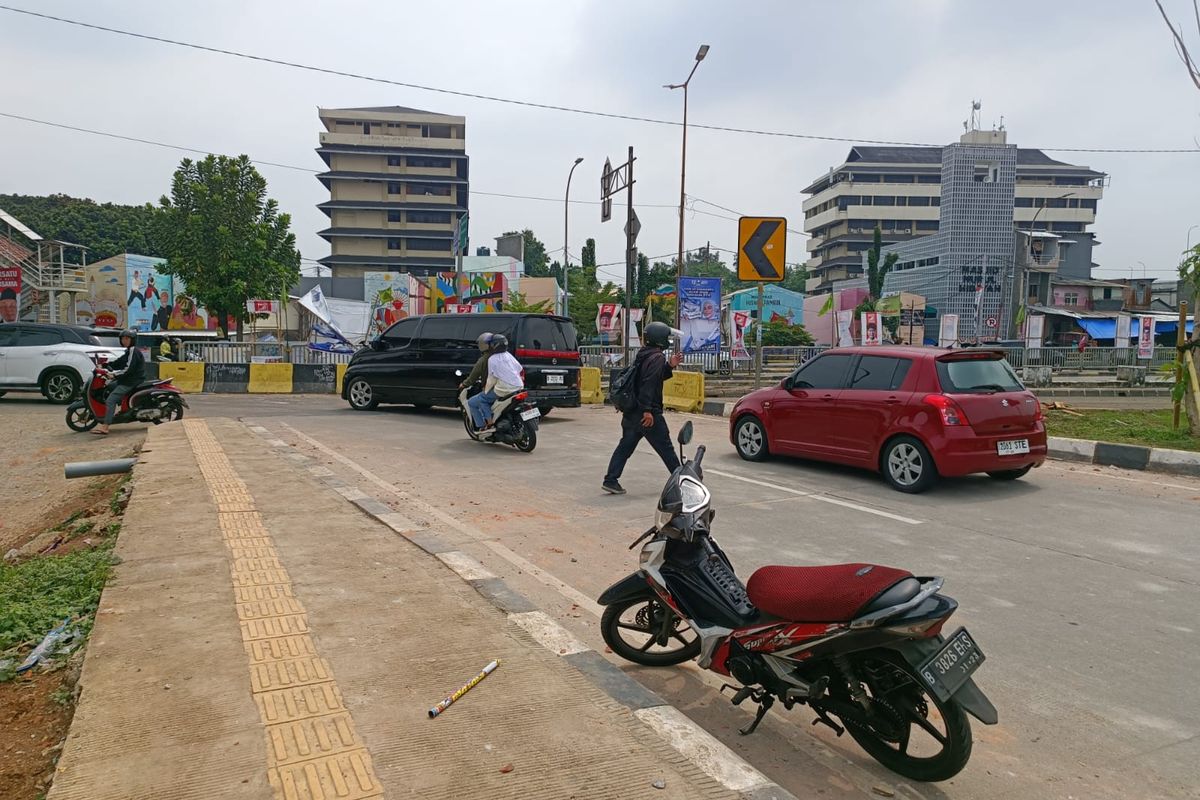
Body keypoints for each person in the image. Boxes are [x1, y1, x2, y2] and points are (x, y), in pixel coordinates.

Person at [602, 321, 684, 495]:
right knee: (666, 447)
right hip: (646, 412)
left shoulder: (644, 354)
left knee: (625, 446)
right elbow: (649, 384)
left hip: (632, 411)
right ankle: (683, 481)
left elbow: (649, 377)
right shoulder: (657, 357)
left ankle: (611, 479)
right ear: (660, 339)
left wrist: (669, 366)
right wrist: (647, 410)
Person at [94, 329, 145, 435]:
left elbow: (128, 369)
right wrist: (105, 365)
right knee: (108, 388)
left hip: (131, 381)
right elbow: (120, 362)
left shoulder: (133, 351)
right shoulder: (128, 351)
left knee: (110, 400)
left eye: (127, 338)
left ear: (132, 340)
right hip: (127, 379)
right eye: (122, 338)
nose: (124, 340)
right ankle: (119, 411)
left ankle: (106, 426)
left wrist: (114, 375)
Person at [467, 334, 522, 431]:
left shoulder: (492, 359)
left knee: (481, 399)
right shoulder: (508, 355)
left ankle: (489, 423)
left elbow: (491, 378)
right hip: (518, 386)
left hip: (504, 389)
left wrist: (486, 390)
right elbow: (519, 368)